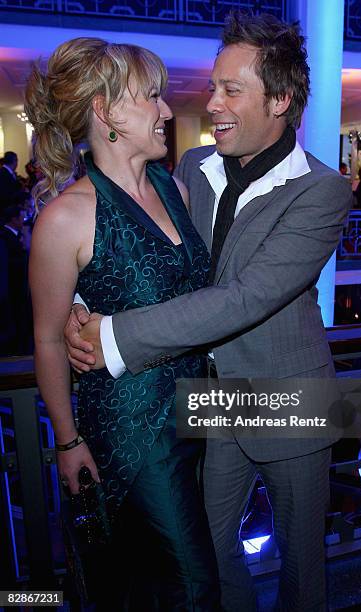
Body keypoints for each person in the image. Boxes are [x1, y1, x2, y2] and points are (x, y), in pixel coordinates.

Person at [66, 13, 353, 612]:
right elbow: (146, 240)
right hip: (210, 398)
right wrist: (83, 294)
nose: (209, 101)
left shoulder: (323, 191)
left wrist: (115, 336)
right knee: (213, 553)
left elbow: (247, 297)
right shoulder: (194, 167)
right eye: (213, 85)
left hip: (291, 396)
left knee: (303, 569)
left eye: (230, 89)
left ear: (279, 100)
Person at [25, 37, 219, 610]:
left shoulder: (175, 188)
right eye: (153, 98)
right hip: (134, 434)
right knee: (192, 585)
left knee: (162, 585)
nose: (166, 111)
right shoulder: (66, 219)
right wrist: (67, 441)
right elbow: (45, 337)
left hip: (198, 413)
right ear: (107, 113)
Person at [0, 205, 31, 355]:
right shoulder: (4, 237)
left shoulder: (16, 235)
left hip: (18, 291)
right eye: (22, 216)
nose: (24, 220)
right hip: (13, 291)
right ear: (14, 218)